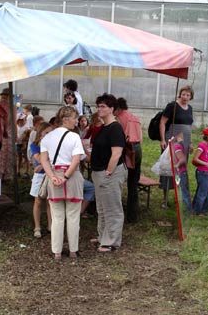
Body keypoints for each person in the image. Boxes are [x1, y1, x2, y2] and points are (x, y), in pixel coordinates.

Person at [40, 106, 85, 260]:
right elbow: (76, 160)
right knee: (73, 216)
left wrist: (52, 176)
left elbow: (44, 160)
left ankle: (56, 251)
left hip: (54, 177)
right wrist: (65, 177)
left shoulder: (47, 138)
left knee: (57, 216)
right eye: (74, 118)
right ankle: (73, 250)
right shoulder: (74, 137)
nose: (76, 121)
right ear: (66, 119)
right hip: (71, 178)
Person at [90, 93, 127, 252]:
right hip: (99, 173)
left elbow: (117, 153)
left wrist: (108, 172)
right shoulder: (103, 127)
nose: (100, 109)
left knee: (112, 208)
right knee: (102, 207)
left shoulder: (115, 128)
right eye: (98, 106)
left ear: (112, 109)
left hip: (109, 174)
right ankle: (102, 236)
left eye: (103, 106)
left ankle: (111, 241)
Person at [159, 85, 194, 209]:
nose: (185, 97)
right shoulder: (172, 106)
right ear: (180, 94)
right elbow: (162, 122)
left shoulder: (190, 108)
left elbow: (189, 127)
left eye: (188, 95)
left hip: (185, 142)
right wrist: (163, 139)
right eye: (183, 94)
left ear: (191, 97)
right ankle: (165, 198)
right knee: (169, 168)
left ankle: (179, 196)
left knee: (181, 168)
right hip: (173, 141)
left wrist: (190, 143)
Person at [116, 97, 142, 224]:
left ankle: (117, 213)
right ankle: (133, 216)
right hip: (138, 149)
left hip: (127, 149)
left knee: (116, 180)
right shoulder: (135, 117)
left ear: (118, 108)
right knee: (133, 183)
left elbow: (120, 138)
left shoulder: (120, 118)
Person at [30, 122, 53, 238]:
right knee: (38, 201)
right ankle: (37, 227)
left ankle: (50, 225)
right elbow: (39, 158)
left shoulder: (53, 145)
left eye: (51, 133)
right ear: (40, 134)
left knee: (50, 201)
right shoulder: (34, 145)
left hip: (50, 174)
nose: (49, 135)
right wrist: (45, 163)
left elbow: (43, 163)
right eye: (47, 133)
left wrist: (42, 165)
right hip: (40, 176)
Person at [191, 127, 208, 217]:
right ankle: (198, 211)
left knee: (207, 191)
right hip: (202, 172)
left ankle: (202, 209)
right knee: (202, 192)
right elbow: (195, 158)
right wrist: (205, 164)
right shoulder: (201, 146)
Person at [0, 88, 16, 181]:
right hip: (6, 133)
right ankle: (5, 175)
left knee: (3, 154)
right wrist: (15, 135)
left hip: (1, 133)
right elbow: (13, 123)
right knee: (6, 154)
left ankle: (2, 175)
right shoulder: (11, 107)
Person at [173, 133, 192, 213]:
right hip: (181, 172)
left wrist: (176, 165)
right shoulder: (182, 144)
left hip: (180, 172)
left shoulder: (176, 146)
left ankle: (188, 210)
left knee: (184, 190)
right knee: (181, 188)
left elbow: (183, 159)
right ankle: (184, 206)